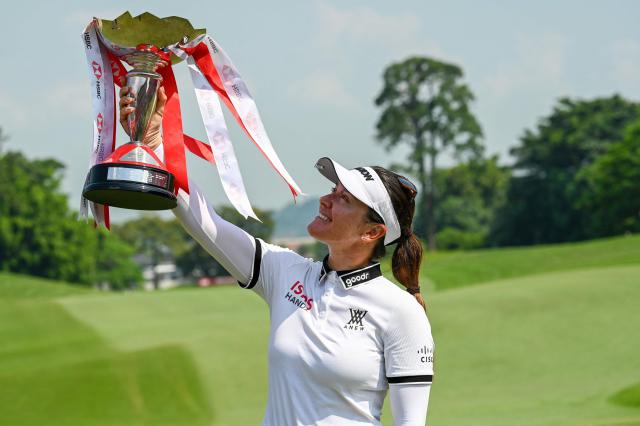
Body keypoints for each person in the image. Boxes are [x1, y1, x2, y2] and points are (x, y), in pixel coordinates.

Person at [119, 84, 435, 425]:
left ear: (372, 232)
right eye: (333, 190)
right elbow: (206, 224)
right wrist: (154, 144)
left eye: (345, 199)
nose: (326, 200)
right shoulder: (285, 270)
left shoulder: (401, 311)